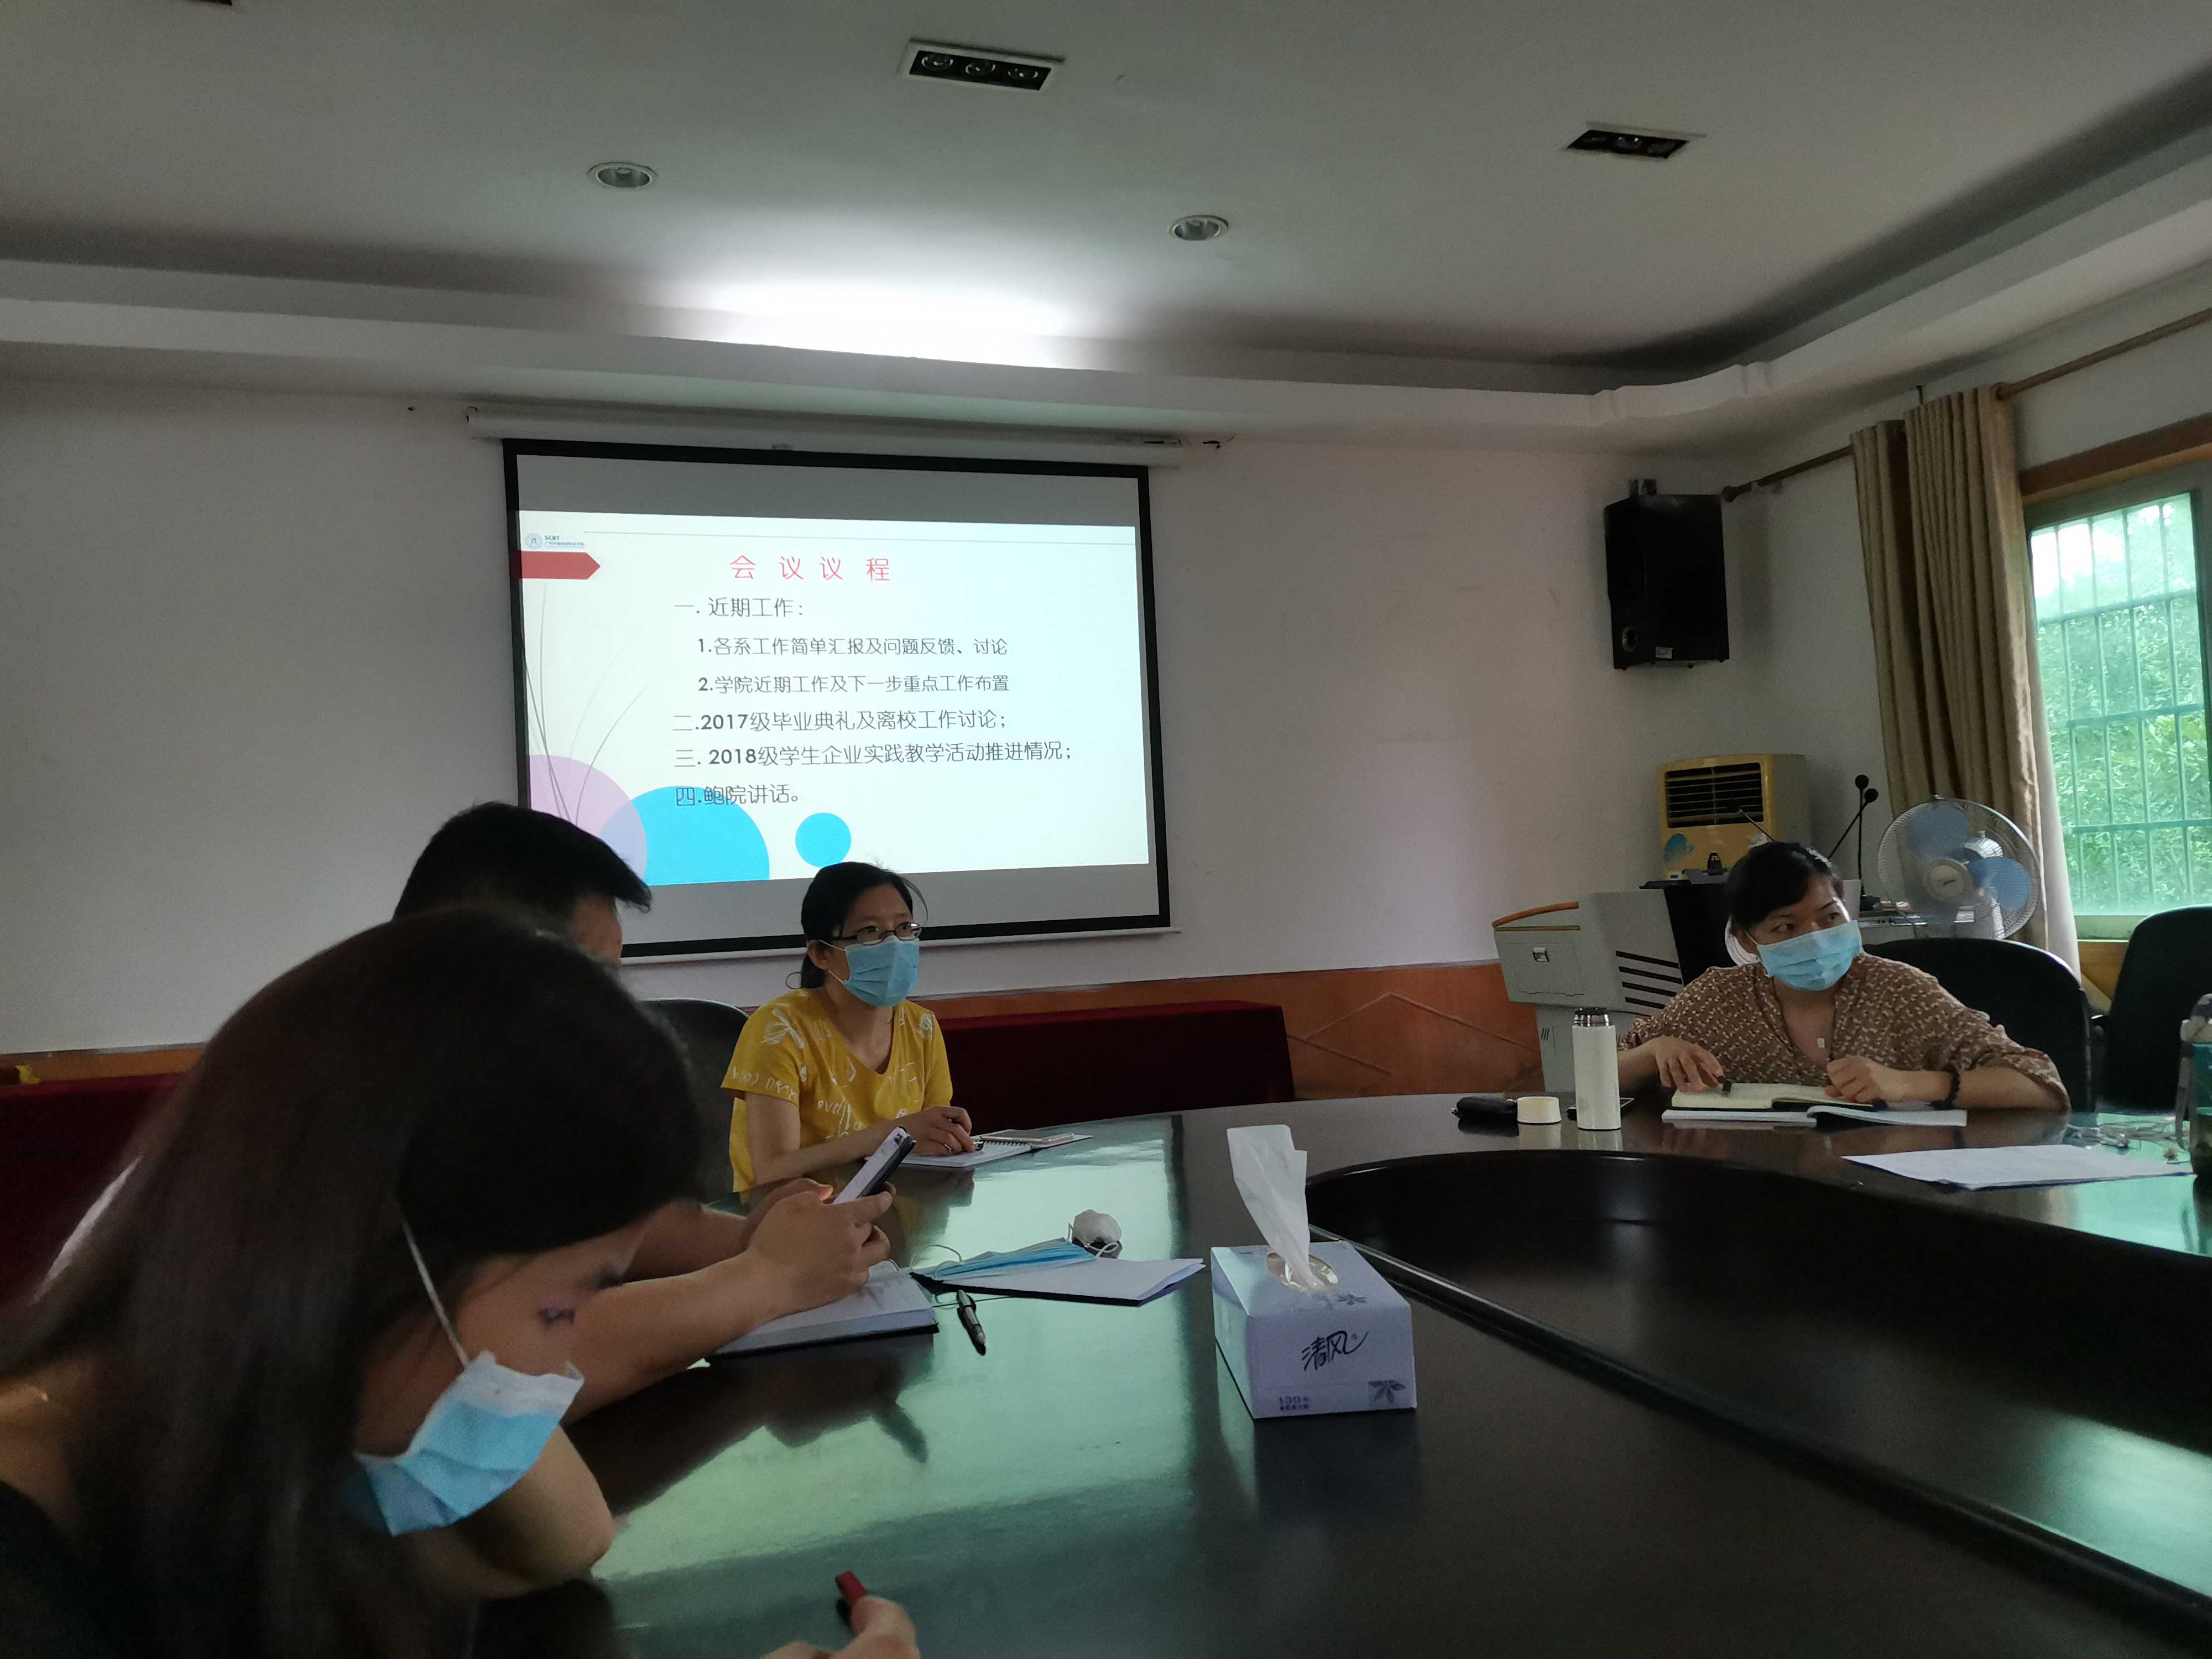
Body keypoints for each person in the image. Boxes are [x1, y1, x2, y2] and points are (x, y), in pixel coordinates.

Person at [0, 911, 919, 1659]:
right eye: (561, 1308)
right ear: (371, 1259)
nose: (560, 1371)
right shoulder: (32, 1584)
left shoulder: (260, 1444)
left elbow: (566, 1540)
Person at [49, 802, 893, 1418]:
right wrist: (764, 1280)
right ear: (485, 954)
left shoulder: (435, 1059)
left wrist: (754, 1242)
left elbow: (596, 1236)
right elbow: (502, 1369)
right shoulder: (362, 1101)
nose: (608, 1012)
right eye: (592, 978)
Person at [1618, 841, 2068, 1108]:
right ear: (1748, 942)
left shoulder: (1900, 990)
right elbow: (1599, 1077)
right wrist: (1654, 1052)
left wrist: (1911, 1083)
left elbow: (2040, 1084)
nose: (1816, 937)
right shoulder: (1718, 999)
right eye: (1786, 927)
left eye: (1830, 917)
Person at [724, 863, 973, 1190]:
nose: (894, 945)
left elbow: (932, 1144)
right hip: (794, 1212)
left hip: (900, 1206)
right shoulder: (779, 1029)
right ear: (820, 954)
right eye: (870, 932)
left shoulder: (922, 1027)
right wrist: (890, 1137)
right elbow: (772, 1170)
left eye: (904, 928)